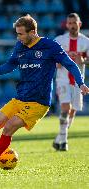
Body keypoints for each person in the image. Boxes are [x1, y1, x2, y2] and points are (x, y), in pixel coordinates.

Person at [0, 14, 89, 175]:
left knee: (8, 127)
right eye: (17, 33)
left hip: (38, 103)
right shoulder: (20, 46)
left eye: (20, 34)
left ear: (32, 32)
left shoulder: (50, 46)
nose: (18, 37)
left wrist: (80, 83)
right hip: (20, 98)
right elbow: (10, 65)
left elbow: (70, 63)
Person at [53, 13, 89, 151]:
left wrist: (84, 61)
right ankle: (64, 142)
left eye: (74, 22)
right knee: (65, 107)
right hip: (62, 79)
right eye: (70, 23)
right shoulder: (59, 40)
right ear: (66, 25)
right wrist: (56, 62)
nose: (72, 25)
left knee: (73, 111)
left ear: (79, 24)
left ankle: (59, 138)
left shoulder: (86, 42)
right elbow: (51, 57)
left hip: (78, 81)